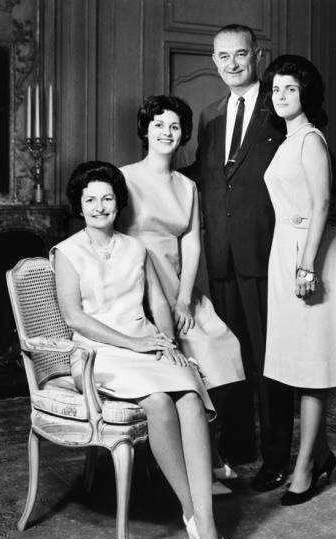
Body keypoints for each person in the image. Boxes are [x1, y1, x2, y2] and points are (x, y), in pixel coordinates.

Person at [51, 160, 235, 539]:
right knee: (157, 401)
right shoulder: (67, 252)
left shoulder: (137, 249)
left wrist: (166, 342)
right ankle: (199, 518)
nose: (100, 206)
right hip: (97, 353)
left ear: (119, 204)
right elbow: (75, 318)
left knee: (188, 395)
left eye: (108, 199)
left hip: (144, 346)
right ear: (79, 206)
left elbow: (157, 305)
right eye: (91, 199)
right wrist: (135, 343)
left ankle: (200, 519)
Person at [180, 24, 294, 491]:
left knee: (271, 362)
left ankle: (276, 458)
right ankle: (240, 445)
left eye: (240, 55)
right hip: (221, 256)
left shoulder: (282, 106)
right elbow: (203, 179)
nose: (231, 64)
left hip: (268, 254)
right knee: (232, 358)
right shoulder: (209, 116)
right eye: (222, 56)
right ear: (213, 59)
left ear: (258, 56)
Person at [117, 95, 246, 495]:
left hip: (180, 286)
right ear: (145, 130)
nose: (167, 133)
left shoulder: (188, 185)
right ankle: (201, 462)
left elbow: (192, 245)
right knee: (186, 361)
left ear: (183, 134)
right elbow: (115, 240)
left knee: (224, 348)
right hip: (137, 285)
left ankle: (207, 449)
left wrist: (185, 297)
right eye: (159, 125)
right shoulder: (123, 178)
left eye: (174, 127)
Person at [262, 55, 336, 506]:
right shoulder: (286, 140)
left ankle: (305, 468)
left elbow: (321, 206)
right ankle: (323, 453)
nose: (281, 97)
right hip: (287, 247)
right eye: (276, 90)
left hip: (308, 250)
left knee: (312, 366)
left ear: (306, 95)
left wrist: (307, 265)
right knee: (292, 360)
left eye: (290, 90)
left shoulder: (311, 140)